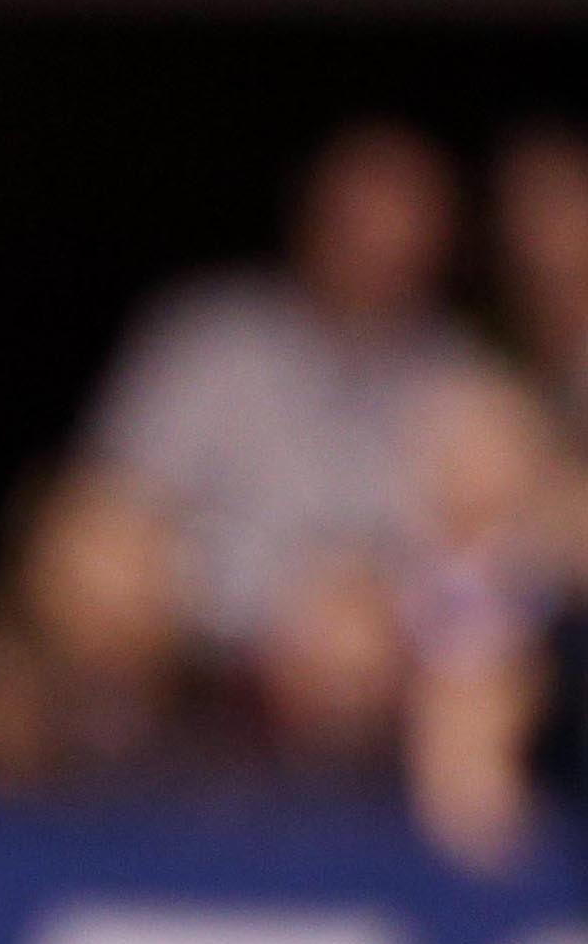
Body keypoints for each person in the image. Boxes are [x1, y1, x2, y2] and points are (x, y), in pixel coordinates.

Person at [81, 123, 481, 669]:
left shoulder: (464, 374)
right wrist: (272, 612)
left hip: (388, 667)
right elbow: (118, 508)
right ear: (312, 219)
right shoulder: (210, 337)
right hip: (203, 650)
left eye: (402, 225)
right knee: (97, 561)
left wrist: (379, 607)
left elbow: (489, 565)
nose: (377, 246)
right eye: (356, 223)